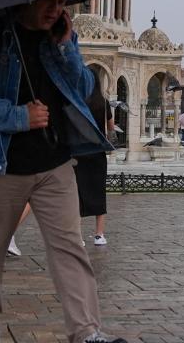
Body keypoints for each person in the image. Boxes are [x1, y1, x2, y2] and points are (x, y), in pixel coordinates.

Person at [0, 0, 124, 343]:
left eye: (62, 2)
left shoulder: (61, 34)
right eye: (49, 1)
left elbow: (85, 89)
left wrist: (66, 48)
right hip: (2, 164)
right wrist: (19, 116)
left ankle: (86, 332)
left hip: (55, 163)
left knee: (70, 248)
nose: (56, 9)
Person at [76, 85, 111, 247]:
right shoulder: (103, 103)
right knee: (99, 191)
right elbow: (110, 126)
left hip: (80, 151)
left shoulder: (78, 101)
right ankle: (99, 235)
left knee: (78, 193)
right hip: (97, 152)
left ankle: (78, 236)